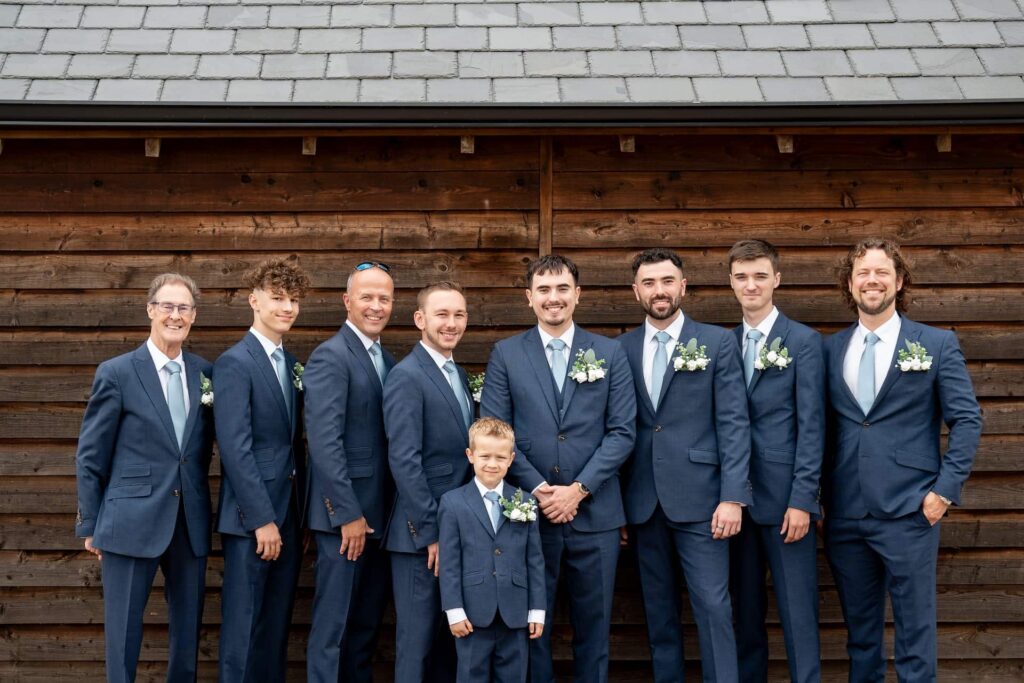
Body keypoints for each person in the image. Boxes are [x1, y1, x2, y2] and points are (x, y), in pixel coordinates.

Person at [823, 238, 982, 681]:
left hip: (912, 512)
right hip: (846, 513)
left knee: (915, 633)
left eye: (881, 272)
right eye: (863, 273)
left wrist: (943, 493)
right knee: (861, 635)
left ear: (899, 280)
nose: (872, 280)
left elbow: (967, 420)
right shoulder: (829, 350)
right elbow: (819, 429)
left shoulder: (935, 343)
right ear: (850, 284)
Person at [480, 255, 636, 683]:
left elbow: (622, 432)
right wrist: (541, 489)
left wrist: (578, 489)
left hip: (597, 513)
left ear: (577, 294)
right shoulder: (507, 354)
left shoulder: (609, 352)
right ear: (530, 298)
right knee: (534, 626)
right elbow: (495, 432)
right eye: (544, 290)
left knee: (595, 628)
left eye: (562, 289)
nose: (554, 298)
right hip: (530, 514)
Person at [618, 248, 750, 683]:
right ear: (636, 290)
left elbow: (733, 424)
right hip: (642, 503)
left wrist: (733, 496)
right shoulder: (620, 349)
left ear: (683, 286)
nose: (660, 291)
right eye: (650, 283)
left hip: (704, 503)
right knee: (659, 616)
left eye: (668, 281)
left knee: (713, 608)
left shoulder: (717, 343)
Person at [75, 273, 214, 683]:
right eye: (168, 306)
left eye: (184, 308)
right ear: (151, 310)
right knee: (123, 636)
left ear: (194, 316)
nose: (176, 315)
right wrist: (90, 522)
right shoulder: (117, 372)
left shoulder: (204, 373)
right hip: (128, 520)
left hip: (189, 520)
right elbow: (90, 454)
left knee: (187, 633)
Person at [725, 240, 824, 683]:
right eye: (742, 276)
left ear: (776, 280)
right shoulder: (722, 343)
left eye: (760, 275)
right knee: (745, 618)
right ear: (731, 282)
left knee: (797, 617)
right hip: (735, 506)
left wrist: (803, 499)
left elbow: (813, 425)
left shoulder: (802, 341)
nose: (751, 285)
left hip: (787, 505)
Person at [214, 258, 310, 682]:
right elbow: (235, 448)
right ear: (254, 301)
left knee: (275, 626)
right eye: (277, 298)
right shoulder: (235, 363)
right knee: (243, 627)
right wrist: (262, 520)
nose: (287, 307)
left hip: (288, 514)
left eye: (293, 300)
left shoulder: (291, 366)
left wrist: (297, 516)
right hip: (252, 519)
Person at [304, 261, 396, 683]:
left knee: (363, 629)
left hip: (380, 518)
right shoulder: (330, 356)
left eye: (384, 298)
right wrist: (347, 515)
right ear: (347, 301)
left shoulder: (387, 359)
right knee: (333, 629)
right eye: (367, 297)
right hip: (345, 520)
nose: (376, 306)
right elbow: (324, 444)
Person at [384, 281, 475, 683]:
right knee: (415, 645)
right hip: (421, 537)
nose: (451, 323)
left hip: (456, 530)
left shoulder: (458, 373)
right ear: (420, 319)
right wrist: (432, 531)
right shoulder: (407, 376)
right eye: (441, 314)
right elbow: (404, 459)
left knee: (447, 644)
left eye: (458, 314)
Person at [438, 416, 546, 683]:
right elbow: (450, 562)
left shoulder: (525, 501)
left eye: (500, 457)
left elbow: (535, 560)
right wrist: (454, 610)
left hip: (516, 613)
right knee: (471, 676)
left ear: (511, 459)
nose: (492, 463)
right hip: (472, 614)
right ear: (470, 455)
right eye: (485, 455)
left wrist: (537, 610)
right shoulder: (452, 503)